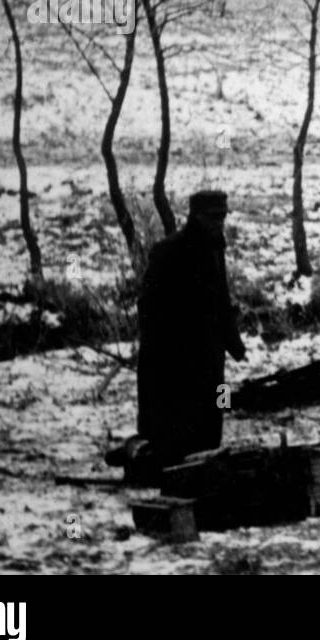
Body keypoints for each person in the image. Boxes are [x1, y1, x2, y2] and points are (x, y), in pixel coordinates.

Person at [136, 190, 246, 464]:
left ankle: (207, 459)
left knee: (214, 410)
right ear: (195, 216)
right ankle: (169, 463)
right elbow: (148, 305)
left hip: (209, 350)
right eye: (213, 216)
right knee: (178, 416)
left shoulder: (215, 246)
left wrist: (234, 343)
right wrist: (168, 340)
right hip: (177, 352)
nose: (219, 222)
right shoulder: (169, 250)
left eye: (222, 216)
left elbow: (222, 296)